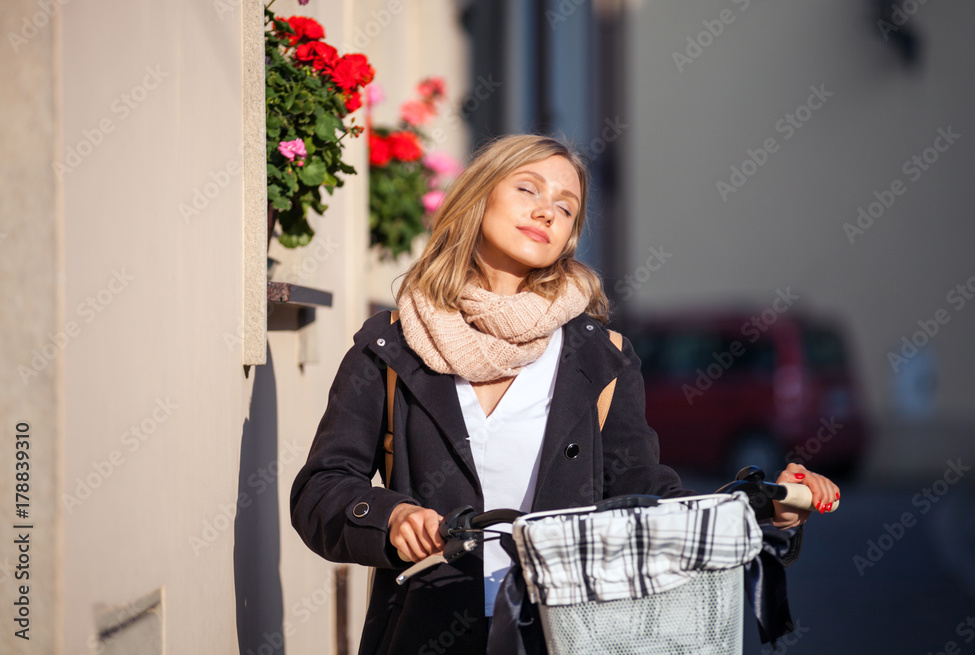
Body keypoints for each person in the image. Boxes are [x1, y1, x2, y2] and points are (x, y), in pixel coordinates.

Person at [289, 134, 840, 654]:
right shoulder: (393, 344)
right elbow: (321, 489)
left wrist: (761, 507)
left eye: (566, 206)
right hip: (426, 629)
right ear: (477, 198)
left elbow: (645, 498)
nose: (547, 210)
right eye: (527, 188)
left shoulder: (601, 356)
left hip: (572, 633)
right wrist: (390, 516)